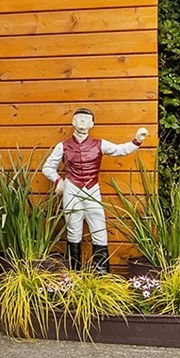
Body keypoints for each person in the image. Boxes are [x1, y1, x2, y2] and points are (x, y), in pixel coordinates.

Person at [41, 107, 147, 272]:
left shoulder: (100, 144)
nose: (83, 120)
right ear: (73, 122)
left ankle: (101, 274)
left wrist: (137, 141)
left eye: (86, 118)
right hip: (72, 191)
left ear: (92, 123)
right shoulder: (63, 146)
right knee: (73, 230)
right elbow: (47, 167)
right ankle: (73, 273)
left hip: (92, 190)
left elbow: (120, 150)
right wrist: (58, 181)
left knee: (99, 228)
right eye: (79, 117)